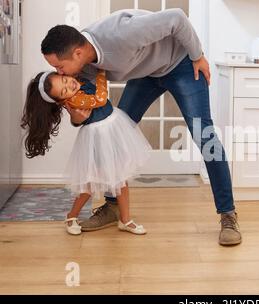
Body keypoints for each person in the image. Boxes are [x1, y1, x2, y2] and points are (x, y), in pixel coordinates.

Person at [41, 8, 242, 245]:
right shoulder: (82, 66)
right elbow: (93, 117)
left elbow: (177, 18)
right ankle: (113, 207)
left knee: (204, 135)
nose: (58, 73)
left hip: (181, 65)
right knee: (113, 134)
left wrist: (197, 55)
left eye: (60, 67)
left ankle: (228, 214)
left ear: (76, 53)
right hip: (146, 74)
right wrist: (76, 118)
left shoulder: (121, 34)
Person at [21, 69, 150, 235]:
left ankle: (125, 220)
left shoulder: (77, 80)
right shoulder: (76, 99)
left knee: (121, 179)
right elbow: (100, 99)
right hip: (98, 138)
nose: (70, 85)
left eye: (65, 80)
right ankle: (71, 215)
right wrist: (101, 75)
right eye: (64, 90)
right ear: (62, 101)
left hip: (113, 128)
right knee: (89, 184)